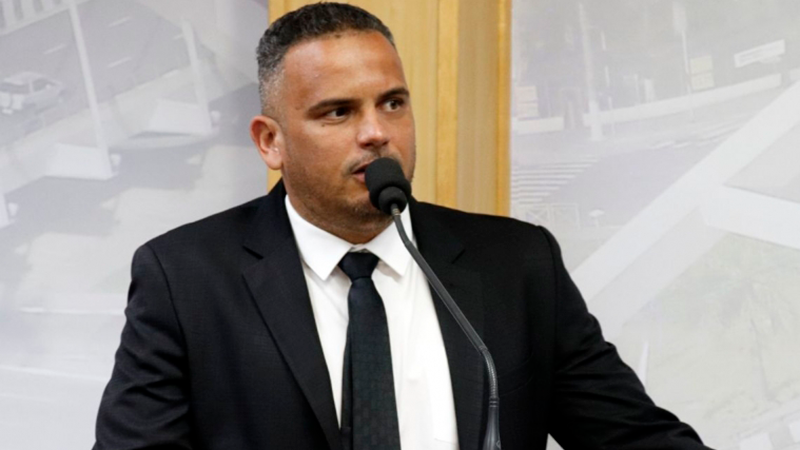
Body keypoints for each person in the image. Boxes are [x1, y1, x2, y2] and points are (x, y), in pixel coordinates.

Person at [93, 3, 713, 450]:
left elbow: (634, 436)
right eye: (338, 112)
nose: (376, 132)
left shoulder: (517, 263)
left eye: (392, 103)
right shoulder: (186, 278)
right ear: (270, 142)